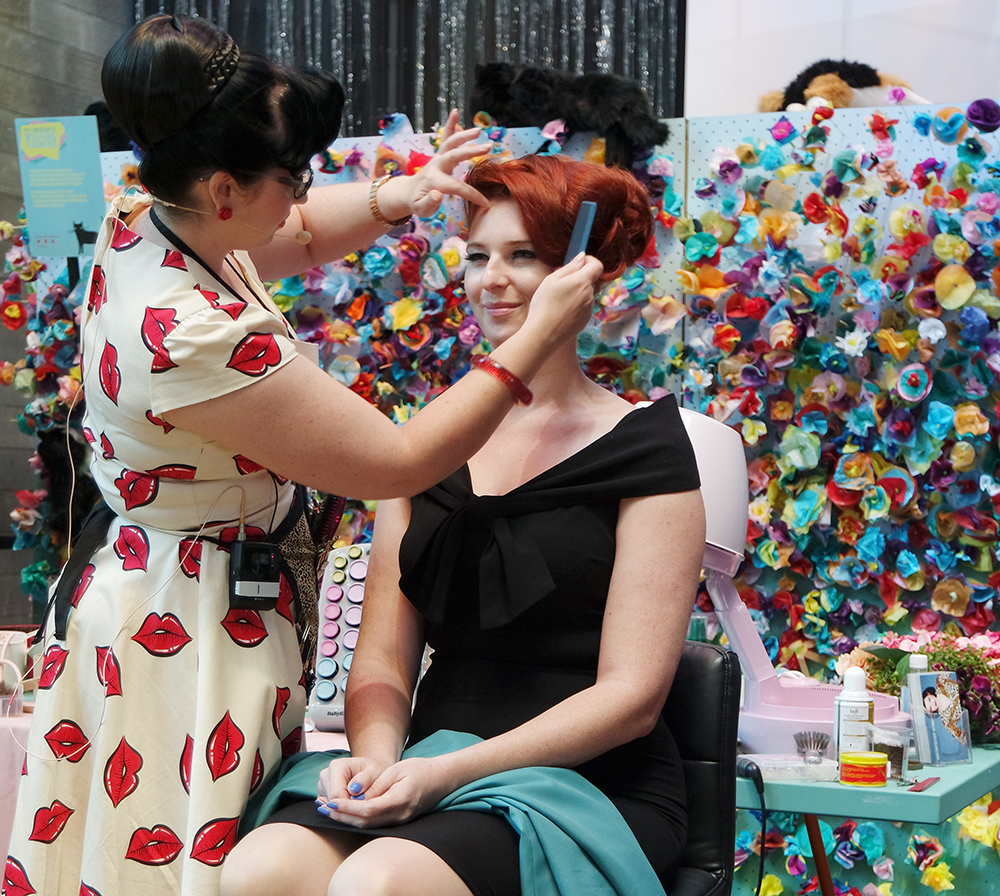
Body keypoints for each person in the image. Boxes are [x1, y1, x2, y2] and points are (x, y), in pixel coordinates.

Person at [4, 16, 600, 896]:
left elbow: (307, 235)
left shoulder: (148, 216)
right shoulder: (186, 334)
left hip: (187, 589)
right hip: (186, 630)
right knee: (190, 868)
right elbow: (397, 461)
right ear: (222, 190)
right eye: (292, 176)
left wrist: (402, 194)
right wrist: (534, 339)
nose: (302, 194)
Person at [221, 154, 706, 896]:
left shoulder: (649, 448)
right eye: (479, 256)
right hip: (430, 759)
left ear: (583, 274)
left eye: (524, 256)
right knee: (262, 867)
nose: (492, 280)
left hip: (588, 780)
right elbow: (381, 665)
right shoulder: (427, 446)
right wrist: (380, 757)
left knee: (378, 883)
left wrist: (444, 775)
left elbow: (631, 700)